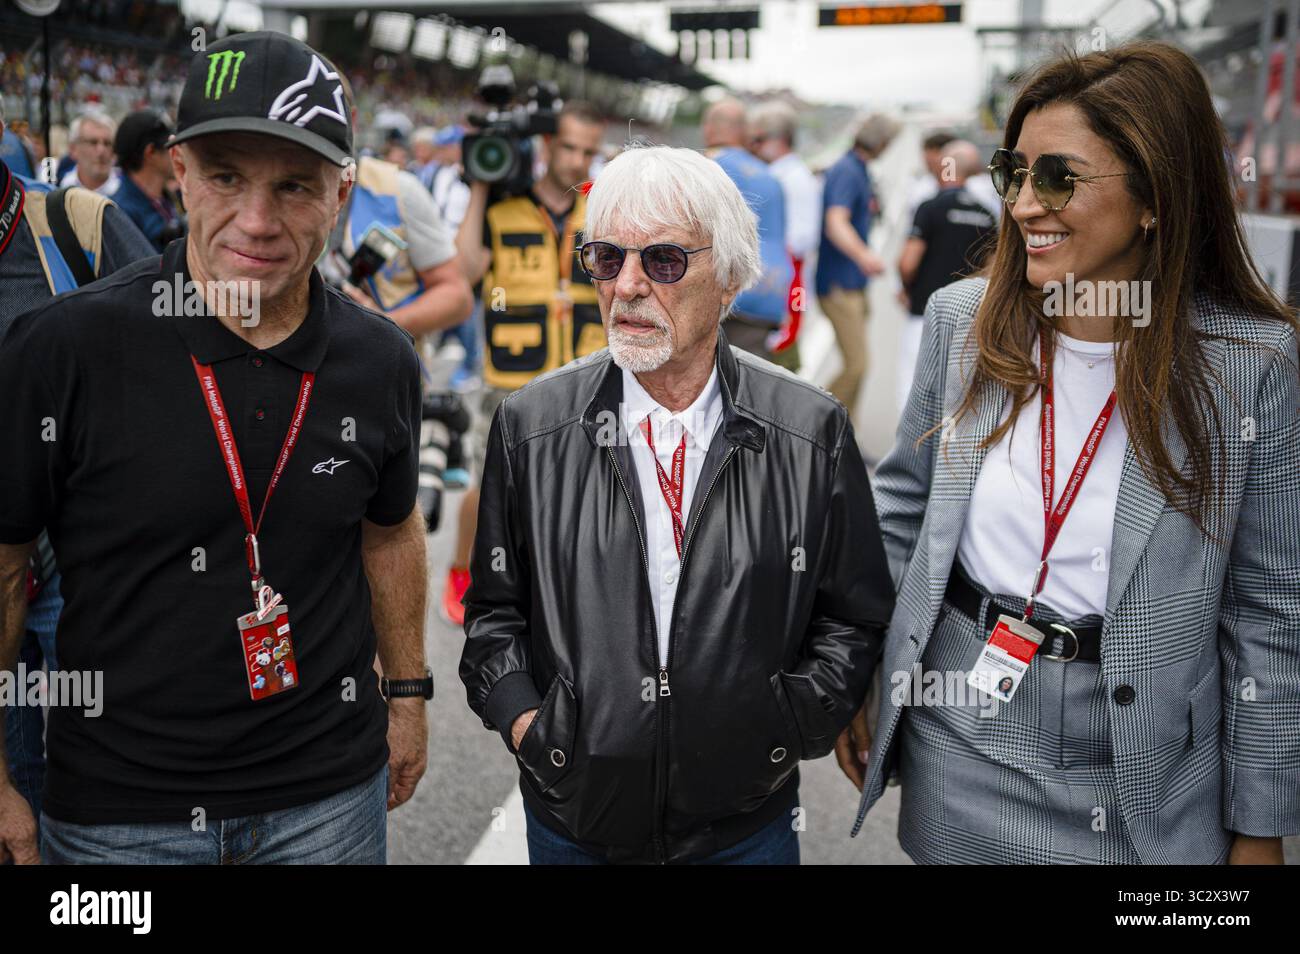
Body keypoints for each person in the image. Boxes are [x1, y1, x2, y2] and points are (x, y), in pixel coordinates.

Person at [848, 42, 1300, 865]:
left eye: (1058, 176)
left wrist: (1261, 826)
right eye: (1011, 173)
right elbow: (902, 509)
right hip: (961, 736)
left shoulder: (1254, 365)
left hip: (1148, 771)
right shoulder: (960, 321)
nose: (1024, 204)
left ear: (1156, 196)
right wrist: (858, 669)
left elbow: (1270, 611)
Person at [0, 31, 431, 866]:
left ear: (341, 193)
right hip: (115, 818)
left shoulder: (380, 361)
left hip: (328, 804)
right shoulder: (62, 349)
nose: (257, 222)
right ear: (182, 172)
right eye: (227, 176)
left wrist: (409, 696)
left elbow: (391, 530)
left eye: (295, 186)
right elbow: (6, 559)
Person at [459, 144, 895, 864]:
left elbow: (853, 614)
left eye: (662, 260)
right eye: (605, 258)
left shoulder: (809, 429)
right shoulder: (530, 425)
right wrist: (529, 725)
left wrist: (784, 727)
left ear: (728, 280)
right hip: (574, 820)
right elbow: (494, 610)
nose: (626, 286)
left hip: (744, 826)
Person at [0, 102, 154, 849]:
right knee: (14, 807)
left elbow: (176, 356)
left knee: (110, 801)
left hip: (84, 568)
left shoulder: (74, 223)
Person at [441, 100, 608, 627]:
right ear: (545, 147)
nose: (579, 160)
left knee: (584, 485)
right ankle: (461, 571)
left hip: (587, 373)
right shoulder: (502, 208)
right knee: (487, 484)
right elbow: (464, 271)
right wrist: (481, 189)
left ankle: (566, 584)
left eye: (588, 150)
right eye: (569, 147)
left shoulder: (603, 209)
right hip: (510, 376)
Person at [896, 140, 996, 411]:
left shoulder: (930, 207)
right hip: (968, 318)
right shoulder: (986, 214)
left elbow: (908, 262)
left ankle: (907, 451)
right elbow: (992, 269)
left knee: (913, 384)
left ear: (944, 167)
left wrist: (907, 289)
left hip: (924, 310)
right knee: (958, 393)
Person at [815, 114, 899, 421]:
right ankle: (814, 421)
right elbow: (836, 222)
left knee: (859, 366)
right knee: (857, 365)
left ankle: (846, 438)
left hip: (852, 283)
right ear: (880, 142)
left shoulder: (857, 168)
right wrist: (864, 256)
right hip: (839, 283)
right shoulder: (847, 171)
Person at [702, 99, 792, 360]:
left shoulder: (706, 166)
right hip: (772, 289)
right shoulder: (770, 175)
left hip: (732, 290)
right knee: (752, 382)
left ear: (709, 129)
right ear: (743, 133)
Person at [748, 100, 821, 372]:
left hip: (789, 282)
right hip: (779, 279)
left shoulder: (795, 178)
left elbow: (802, 239)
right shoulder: (777, 174)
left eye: (757, 139)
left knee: (781, 359)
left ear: (775, 140)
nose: (752, 146)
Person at [111, 109, 183, 252]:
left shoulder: (167, 198)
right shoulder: (122, 214)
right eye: (171, 147)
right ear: (151, 152)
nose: (178, 155)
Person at [58, 109, 121, 197]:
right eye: (93, 142)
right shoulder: (58, 188)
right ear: (73, 149)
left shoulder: (126, 195)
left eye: (107, 143)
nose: (101, 150)